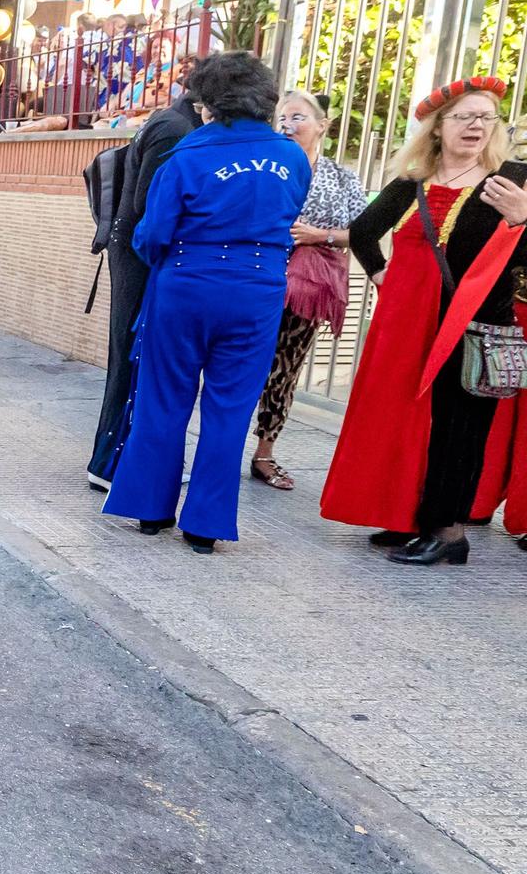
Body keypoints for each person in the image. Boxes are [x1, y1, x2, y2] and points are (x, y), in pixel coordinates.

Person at [102, 53, 310, 553]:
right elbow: (290, 215)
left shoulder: (188, 156)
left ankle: (151, 510)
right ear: (266, 98)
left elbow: (150, 233)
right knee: (230, 409)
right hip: (257, 288)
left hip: (186, 284)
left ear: (208, 101)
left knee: (164, 398)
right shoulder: (292, 157)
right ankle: (205, 525)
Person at [320, 77, 527, 566]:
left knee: (460, 428)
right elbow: (364, 234)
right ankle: (412, 517)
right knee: (412, 423)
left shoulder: (512, 180)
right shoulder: (413, 181)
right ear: (437, 128)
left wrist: (522, 219)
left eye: (485, 116)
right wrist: (383, 279)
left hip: (476, 327)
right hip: (411, 329)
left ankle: (449, 533)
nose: (476, 124)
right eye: (463, 116)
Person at [247, 91, 369, 490]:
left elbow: (364, 232)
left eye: (298, 117)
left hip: (309, 285)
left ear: (322, 126)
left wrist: (322, 235)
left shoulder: (341, 177)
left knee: (285, 366)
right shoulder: (263, 168)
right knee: (241, 363)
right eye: (281, 118)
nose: (288, 125)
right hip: (256, 278)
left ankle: (264, 453)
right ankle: (222, 446)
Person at [86, 79, 203, 487]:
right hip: (139, 254)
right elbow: (148, 205)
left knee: (130, 355)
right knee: (132, 356)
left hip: (134, 249)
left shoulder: (171, 121)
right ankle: (111, 463)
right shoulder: (176, 128)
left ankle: (112, 460)